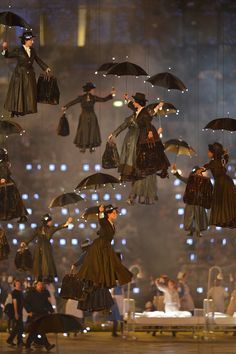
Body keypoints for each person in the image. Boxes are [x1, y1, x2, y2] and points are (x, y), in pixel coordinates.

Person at [108, 93, 168, 204]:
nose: (134, 102)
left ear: (139, 103)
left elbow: (148, 121)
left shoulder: (144, 113)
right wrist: (127, 100)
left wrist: (151, 131)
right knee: (128, 155)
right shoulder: (137, 111)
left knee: (134, 156)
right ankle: (128, 175)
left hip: (139, 138)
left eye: (135, 101)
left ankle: (132, 177)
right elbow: (132, 107)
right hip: (133, 138)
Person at [76, 205, 132, 311]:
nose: (115, 214)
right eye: (113, 213)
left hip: (105, 247)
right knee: (102, 270)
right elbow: (101, 221)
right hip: (100, 248)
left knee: (113, 265)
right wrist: (101, 212)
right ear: (108, 214)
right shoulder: (105, 221)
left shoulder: (112, 224)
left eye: (116, 212)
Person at [1, 31, 50, 117]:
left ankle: (27, 109)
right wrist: (4, 49)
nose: (32, 41)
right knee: (19, 93)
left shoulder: (33, 50)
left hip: (29, 74)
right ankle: (16, 111)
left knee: (30, 94)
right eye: (31, 40)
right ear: (26, 40)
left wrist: (45, 68)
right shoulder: (18, 50)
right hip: (20, 75)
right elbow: (7, 55)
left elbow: (38, 60)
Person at [62, 82, 115, 152]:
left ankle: (85, 147)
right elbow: (103, 100)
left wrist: (66, 106)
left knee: (85, 131)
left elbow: (73, 102)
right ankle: (90, 146)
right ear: (90, 90)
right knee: (91, 131)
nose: (94, 91)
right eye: (93, 89)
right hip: (90, 116)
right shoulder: (92, 97)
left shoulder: (84, 98)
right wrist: (111, 95)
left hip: (85, 116)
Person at [23, 214, 72, 282]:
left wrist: (67, 222)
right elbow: (32, 236)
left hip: (46, 248)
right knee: (38, 263)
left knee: (47, 263)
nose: (51, 222)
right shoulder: (38, 229)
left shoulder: (51, 228)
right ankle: (38, 277)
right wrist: (25, 242)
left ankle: (48, 277)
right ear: (46, 222)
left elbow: (59, 227)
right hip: (38, 248)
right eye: (50, 221)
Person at [198, 142, 236, 228]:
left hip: (222, 183)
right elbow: (225, 160)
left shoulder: (214, 162)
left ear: (214, 153)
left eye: (209, 151)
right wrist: (225, 154)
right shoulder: (220, 160)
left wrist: (200, 170)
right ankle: (226, 220)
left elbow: (206, 166)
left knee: (221, 202)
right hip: (226, 182)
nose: (208, 153)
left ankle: (224, 220)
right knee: (225, 202)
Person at [172, 164, 208, 237]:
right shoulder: (190, 180)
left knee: (198, 217)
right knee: (190, 217)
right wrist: (175, 172)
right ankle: (191, 230)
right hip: (191, 201)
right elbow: (181, 178)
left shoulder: (203, 181)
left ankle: (198, 232)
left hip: (198, 202)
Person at [24, 281, 55, 351]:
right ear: (36, 286)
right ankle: (47, 345)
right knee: (36, 330)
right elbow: (25, 302)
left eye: (41, 285)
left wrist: (52, 311)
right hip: (34, 315)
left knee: (36, 330)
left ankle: (28, 346)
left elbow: (47, 303)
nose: (40, 286)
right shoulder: (31, 293)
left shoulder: (43, 294)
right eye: (39, 284)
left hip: (42, 315)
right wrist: (29, 311)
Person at [0, 148, 28, 223]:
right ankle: (22, 215)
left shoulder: (4, 163)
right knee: (15, 199)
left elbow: (4, 175)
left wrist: (2, 178)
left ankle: (22, 215)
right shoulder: (5, 162)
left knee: (12, 199)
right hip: (6, 183)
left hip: (5, 184)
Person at [6, 280, 24, 347]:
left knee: (19, 327)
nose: (18, 285)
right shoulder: (14, 292)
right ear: (15, 285)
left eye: (19, 284)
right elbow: (14, 302)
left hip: (20, 311)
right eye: (17, 284)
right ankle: (18, 341)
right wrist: (16, 313)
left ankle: (14, 340)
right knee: (19, 327)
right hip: (16, 312)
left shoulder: (20, 292)